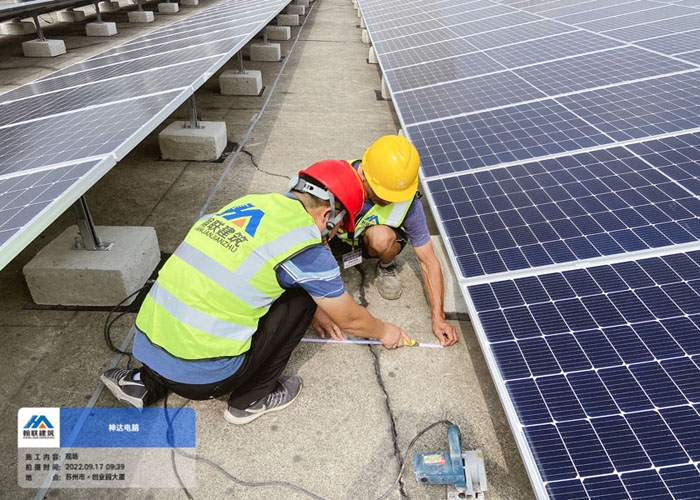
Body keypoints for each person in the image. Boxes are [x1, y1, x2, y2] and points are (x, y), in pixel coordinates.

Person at [100, 159, 412, 424]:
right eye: (335, 229)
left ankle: (142, 383)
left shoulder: (248, 203)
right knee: (304, 297)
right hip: (205, 379)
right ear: (327, 215)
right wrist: (385, 331)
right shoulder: (307, 245)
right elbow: (347, 317)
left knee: (223, 286)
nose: (330, 237)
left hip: (149, 352)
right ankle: (251, 399)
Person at [321, 135, 458, 347]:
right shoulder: (335, 182)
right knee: (320, 238)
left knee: (381, 237)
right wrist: (318, 306)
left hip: (370, 243)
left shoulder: (407, 199)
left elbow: (428, 260)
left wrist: (438, 318)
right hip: (335, 240)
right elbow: (305, 241)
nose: (389, 200)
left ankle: (385, 266)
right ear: (365, 174)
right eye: (383, 193)